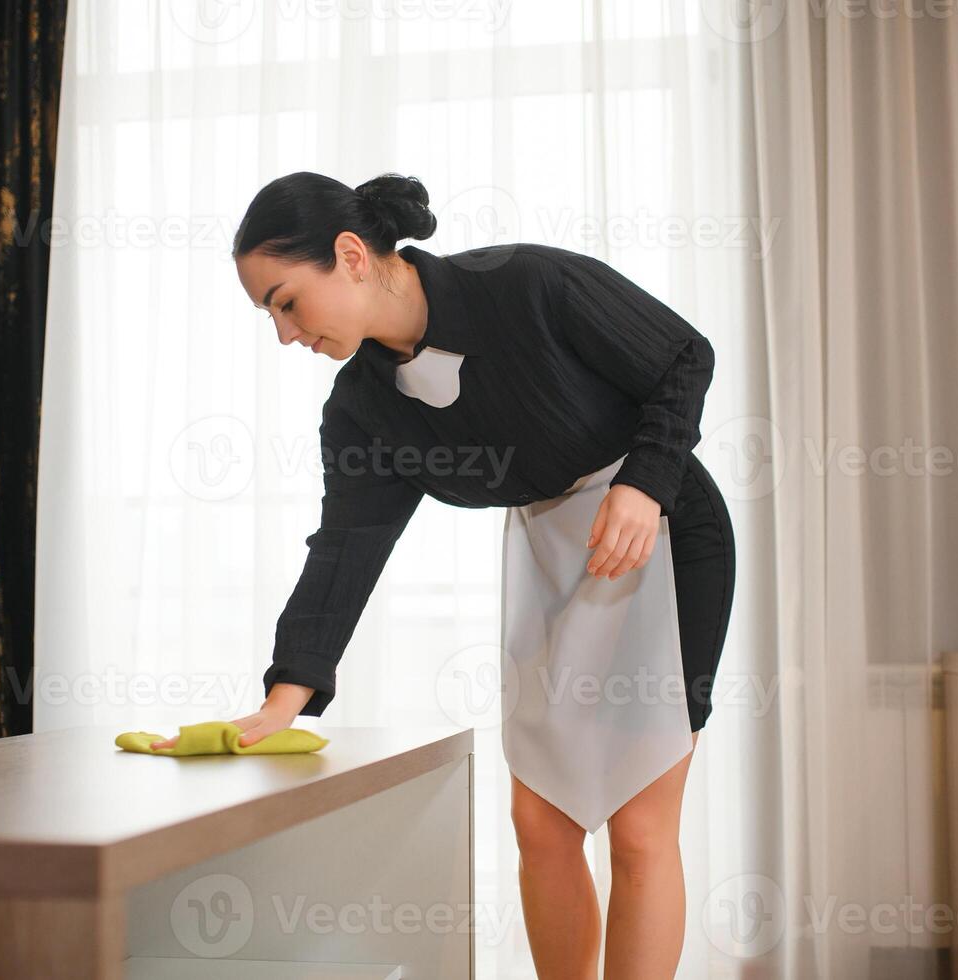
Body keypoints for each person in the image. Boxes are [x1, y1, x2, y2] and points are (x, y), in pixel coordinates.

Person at [153, 171, 736, 978]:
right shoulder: (360, 408)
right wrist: (283, 696)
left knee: (638, 828)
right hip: (545, 553)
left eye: (285, 302)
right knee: (540, 823)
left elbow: (683, 356)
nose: (284, 333)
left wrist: (644, 482)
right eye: (269, 315)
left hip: (660, 534)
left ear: (350, 255)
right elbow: (346, 547)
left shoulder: (525, 283)